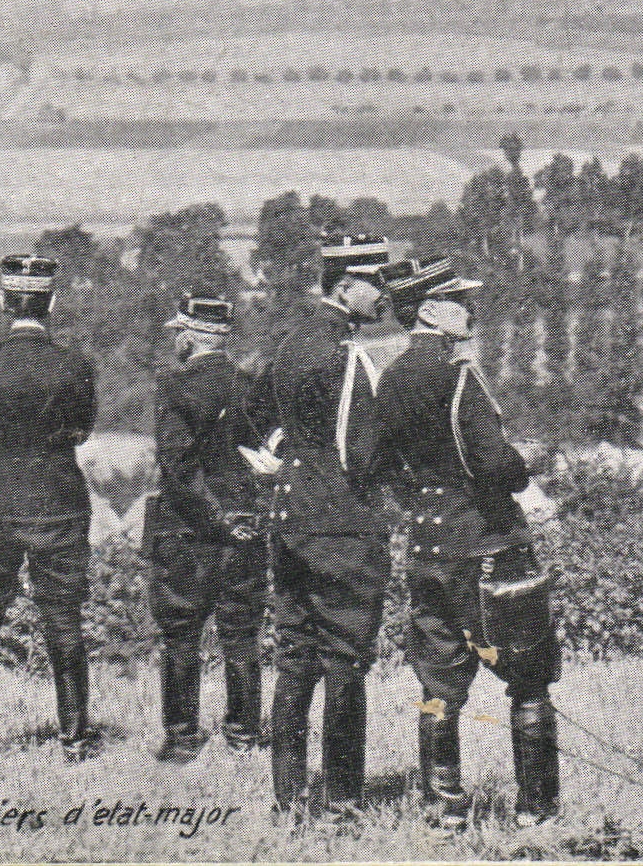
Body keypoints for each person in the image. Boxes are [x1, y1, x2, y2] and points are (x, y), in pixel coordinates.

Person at [364, 256, 561, 830]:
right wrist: (524, 477)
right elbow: (496, 463)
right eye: (457, 299)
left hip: (427, 548)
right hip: (487, 545)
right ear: (428, 309)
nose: (468, 309)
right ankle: (537, 811)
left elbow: (376, 464)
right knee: (528, 677)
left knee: (438, 682)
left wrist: (423, 502)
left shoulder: (390, 379)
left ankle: (442, 810)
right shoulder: (458, 376)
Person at [245, 230, 411, 821]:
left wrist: (294, 459)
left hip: (289, 520)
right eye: (376, 283)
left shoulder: (290, 343)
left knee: (294, 657)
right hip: (340, 526)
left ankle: (287, 800)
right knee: (345, 660)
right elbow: (362, 454)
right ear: (345, 285)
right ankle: (342, 802)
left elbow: (257, 419)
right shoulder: (346, 355)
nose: (385, 295)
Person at [0, 254, 103, 763]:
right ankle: (75, 740)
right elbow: (83, 427)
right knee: (63, 621)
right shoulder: (74, 366)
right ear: (52, 302)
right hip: (57, 503)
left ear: (3, 301)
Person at [146, 294, 268, 763]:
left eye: (179, 331)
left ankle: (181, 739)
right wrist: (238, 517)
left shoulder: (175, 387)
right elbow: (265, 457)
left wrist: (211, 518)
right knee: (241, 631)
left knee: (180, 632)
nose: (176, 339)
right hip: (246, 525)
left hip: (187, 529)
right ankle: (242, 736)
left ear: (189, 337)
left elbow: (176, 469)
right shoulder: (250, 386)